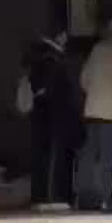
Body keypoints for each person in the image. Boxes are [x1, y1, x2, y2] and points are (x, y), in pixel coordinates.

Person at [17, 29, 81, 210]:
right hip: (54, 118)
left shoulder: (38, 63)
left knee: (42, 156)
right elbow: (59, 93)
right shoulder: (53, 64)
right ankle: (55, 196)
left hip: (41, 117)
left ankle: (41, 195)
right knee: (56, 156)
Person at [78, 0, 112, 214]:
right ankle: (107, 199)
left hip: (92, 110)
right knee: (107, 158)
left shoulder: (98, 49)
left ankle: (85, 196)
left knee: (90, 155)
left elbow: (84, 79)